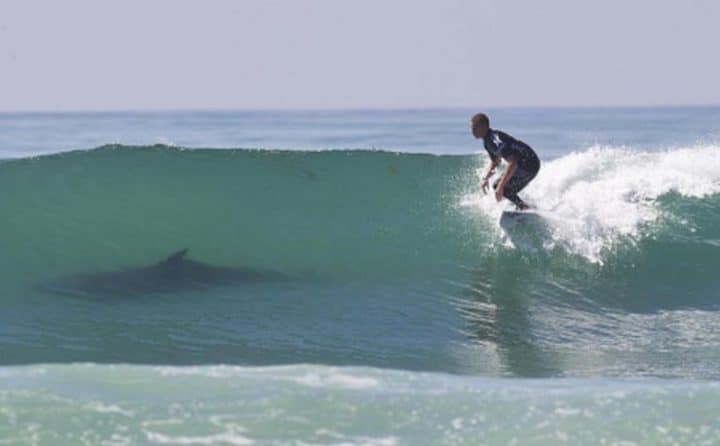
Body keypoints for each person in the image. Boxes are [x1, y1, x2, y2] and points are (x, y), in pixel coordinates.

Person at [470, 113, 540, 210]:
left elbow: (513, 162)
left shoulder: (495, 140)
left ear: (483, 126)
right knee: (503, 189)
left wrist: (500, 187)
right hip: (527, 163)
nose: (471, 131)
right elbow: (495, 162)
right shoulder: (487, 142)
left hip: (529, 163)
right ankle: (526, 207)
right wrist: (485, 178)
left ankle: (525, 208)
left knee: (501, 187)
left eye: (474, 128)